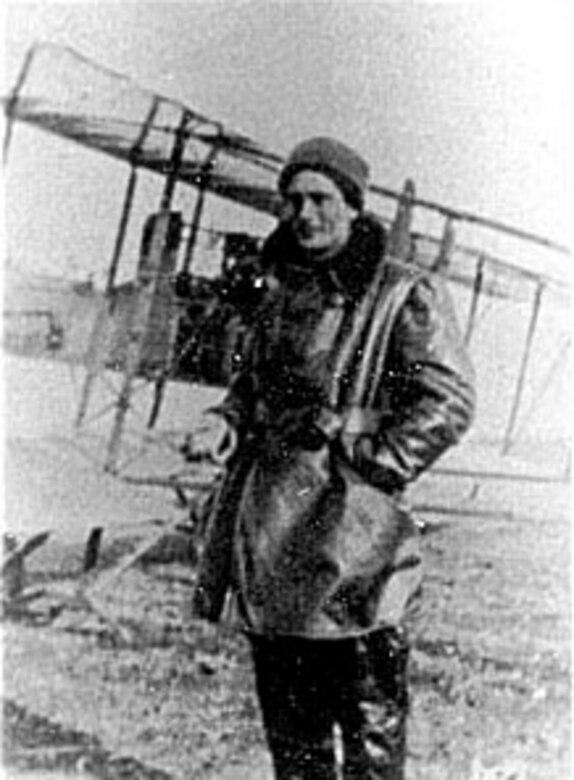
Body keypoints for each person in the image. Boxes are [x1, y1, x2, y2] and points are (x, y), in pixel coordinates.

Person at [191, 137, 475, 779]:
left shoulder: (400, 293)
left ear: (353, 206)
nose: (304, 214)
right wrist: (226, 419)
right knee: (294, 732)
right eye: (292, 200)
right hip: (271, 535)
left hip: (355, 540)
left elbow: (449, 399)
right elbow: (253, 385)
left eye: (320, 199)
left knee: (368, 721)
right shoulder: (277, 288)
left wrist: (376, 463)